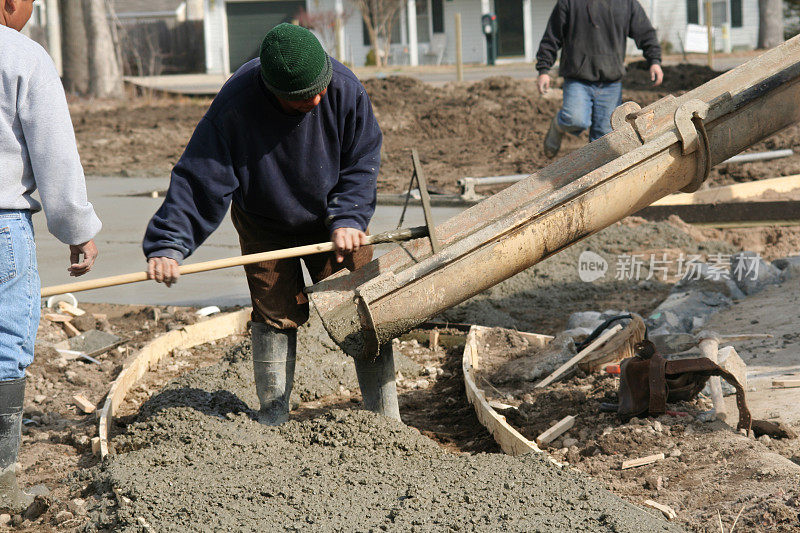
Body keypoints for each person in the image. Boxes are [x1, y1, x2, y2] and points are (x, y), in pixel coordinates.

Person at [143, 23, 399, 425]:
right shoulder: (236, 105)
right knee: (275, 313)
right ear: (273, 90)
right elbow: (200, 178)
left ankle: (385, 419)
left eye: (320, 88)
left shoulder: (344, 88)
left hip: (333, 220)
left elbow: (361, 160)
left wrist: (349, 215)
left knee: (366, 305)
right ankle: (274, 418)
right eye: (302, 98)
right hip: (263, 220)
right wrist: (169, 242)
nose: (316, 98)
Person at [1, 0, 101, 512]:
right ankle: (3, 486)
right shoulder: (22, 57)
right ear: (9, 5)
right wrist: (77, 230)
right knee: (4, 349)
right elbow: (54, 153)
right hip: (2, 225)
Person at [536, 0, 664, 157]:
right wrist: (543, 69)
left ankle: (594, 177)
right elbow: (552, 36)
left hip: (611, 83)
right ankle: (558, 125)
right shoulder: (569, 3)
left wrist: (654, 61)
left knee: (603, 139)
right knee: (575, 120)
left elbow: (645, 32)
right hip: (578, 79)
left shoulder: (626, 4)